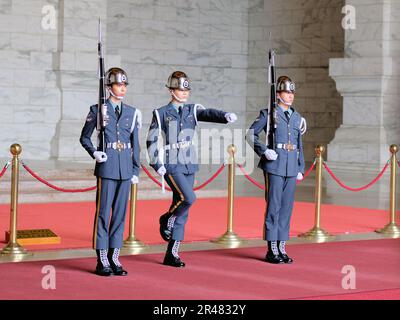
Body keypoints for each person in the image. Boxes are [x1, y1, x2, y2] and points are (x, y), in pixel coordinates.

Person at [146, 71, 237, 267]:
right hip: (171, 161)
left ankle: (172, 253)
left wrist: (225, 116)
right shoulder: (160, 113)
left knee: (184, 209)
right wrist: (157, 164)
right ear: (171, 90)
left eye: (187, 89)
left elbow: (207, 113)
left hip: (189, 160)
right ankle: (166, 218)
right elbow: (151, 140)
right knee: (188, 198)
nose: (185, 93)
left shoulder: (192, 110)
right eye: (180, 89)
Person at [80, 67, 141, 276]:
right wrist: (95, 153)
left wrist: (135, 170)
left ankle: (115, 257)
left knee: (120, 215)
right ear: (108, 87)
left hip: (125, 169)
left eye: (124, 85)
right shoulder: (97, 110)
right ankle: (102, 258)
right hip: (107, 167)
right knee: (103, 214)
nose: (122, 89)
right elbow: (84, 138)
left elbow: (136, 144)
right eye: (118, 84)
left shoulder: (132, 113)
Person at [246, 76, 306, 264]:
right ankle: (271, 247)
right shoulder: (268, 114)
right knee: (274, 206)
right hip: (274, 165)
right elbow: (250, 134)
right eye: (286, 92)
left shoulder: (296, 117)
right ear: (278, 94)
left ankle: (282, 246)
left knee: (287, 208)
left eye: (291, 92)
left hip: (290, 166)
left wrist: (300, 166)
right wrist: (264, 151)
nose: (290, 96)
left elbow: (298, 144)